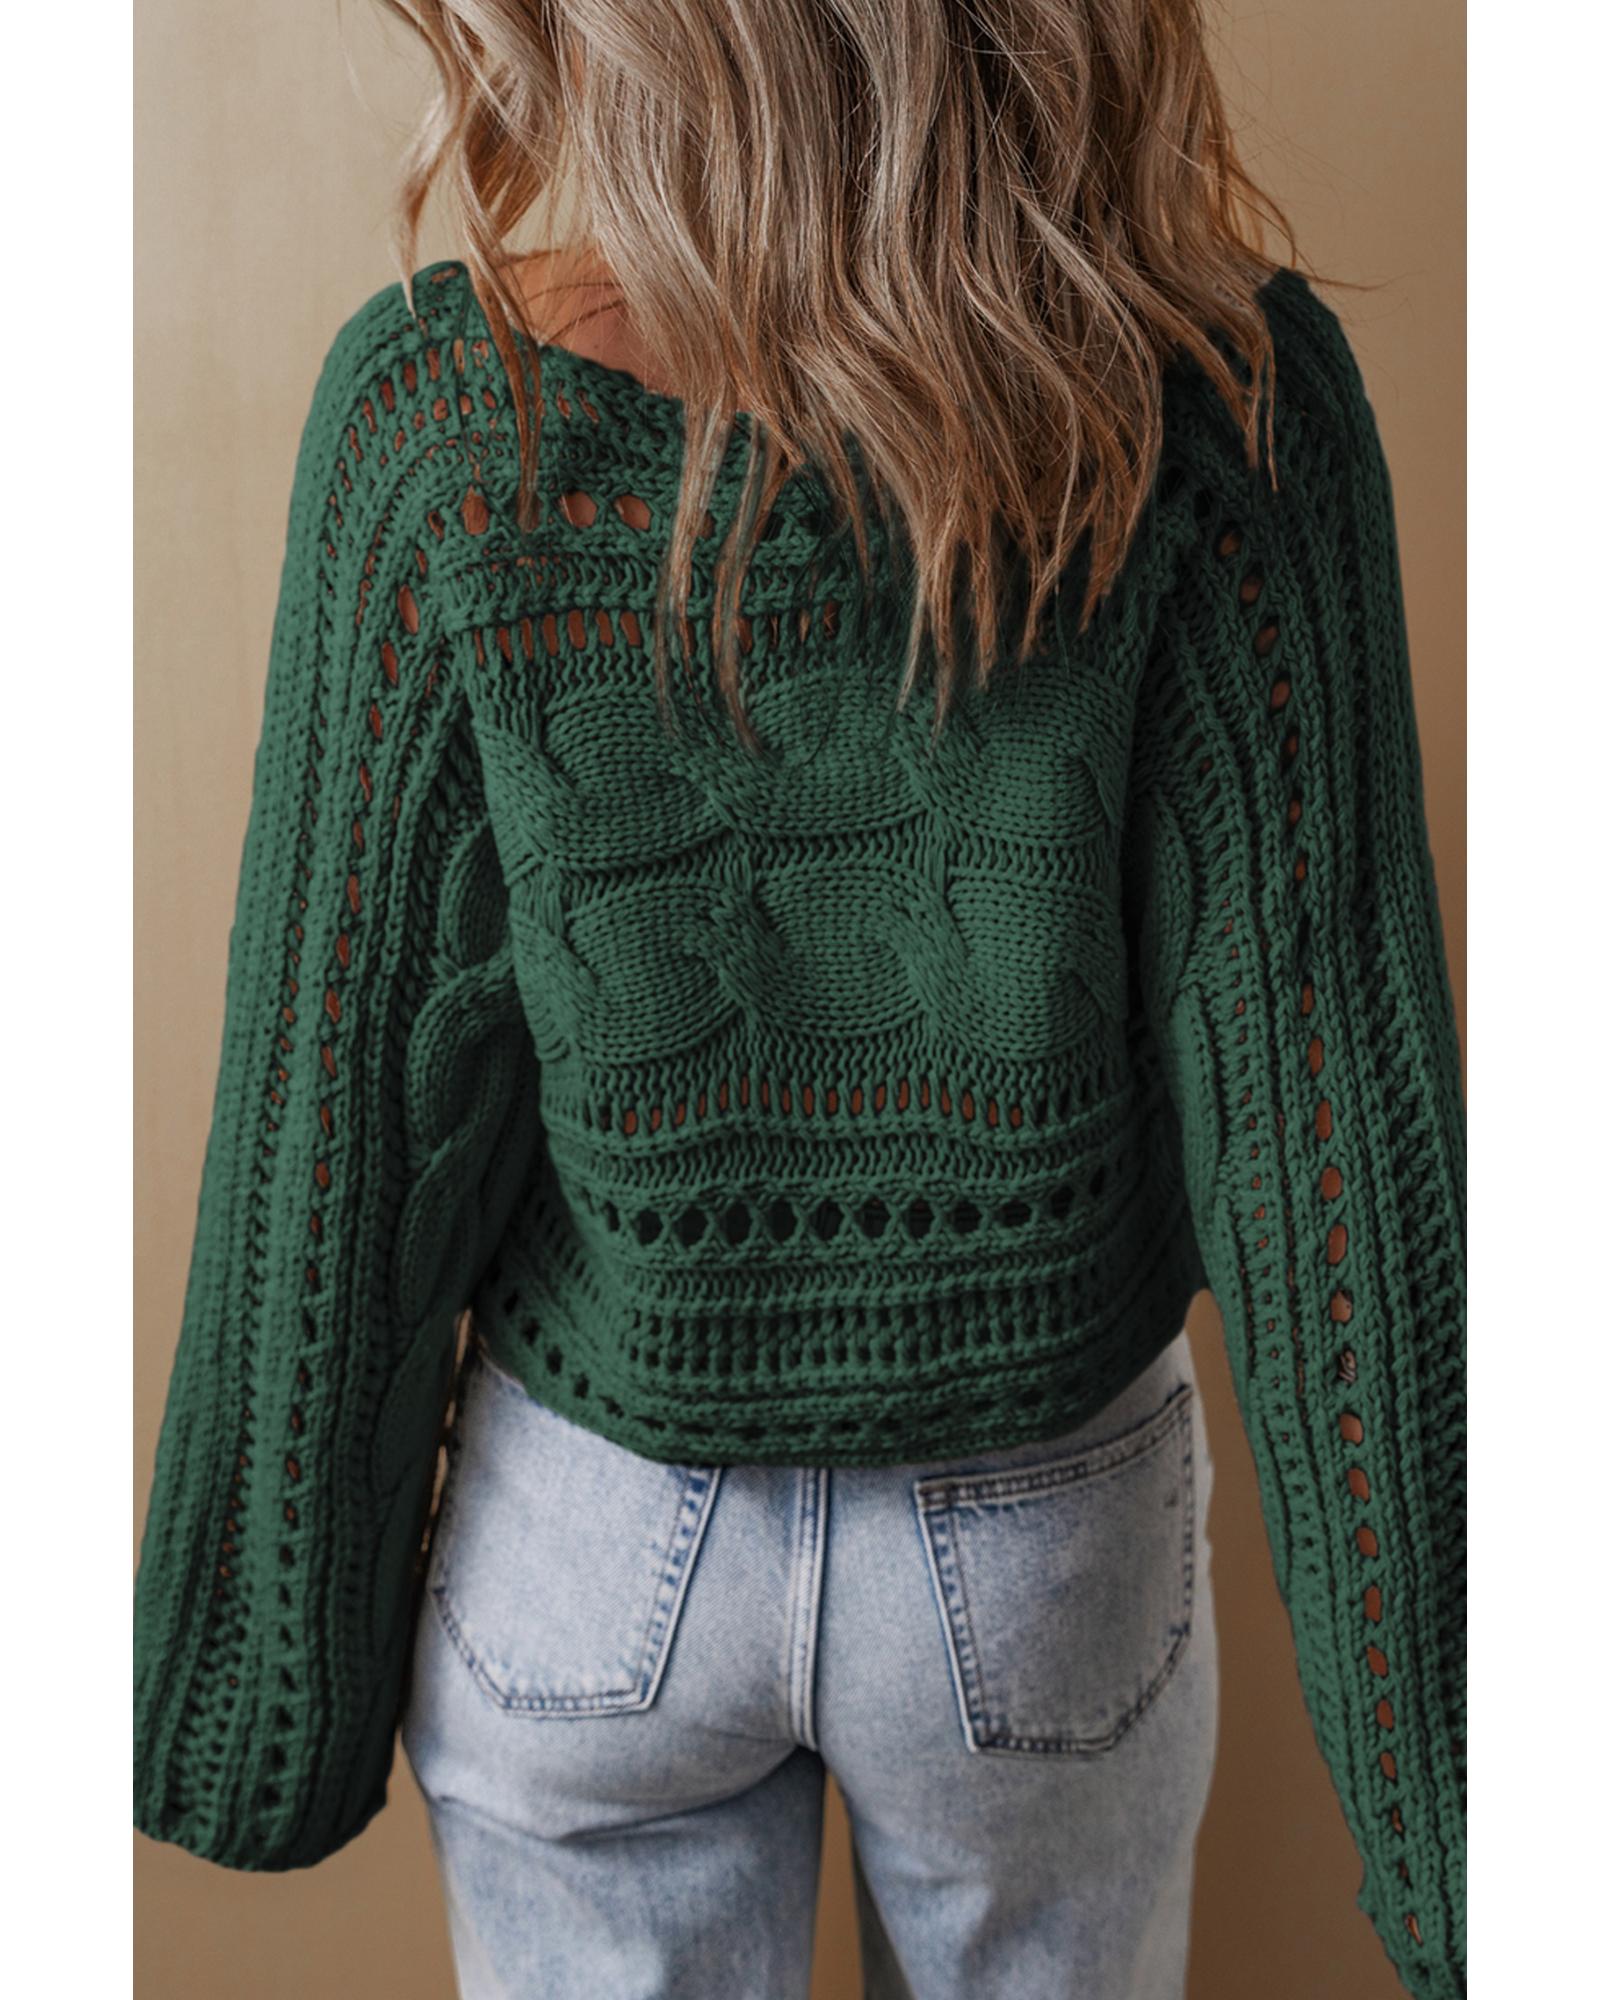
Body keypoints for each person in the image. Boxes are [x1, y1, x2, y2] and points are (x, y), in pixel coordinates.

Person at [131, 6, 1467, 1998]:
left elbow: (342, 1125)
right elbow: (1330, 1147)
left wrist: (261, 1688)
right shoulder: (1220, 406)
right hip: (1034, 1547)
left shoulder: (446, 421)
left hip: (596, 1542)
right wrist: (1478, 1830)